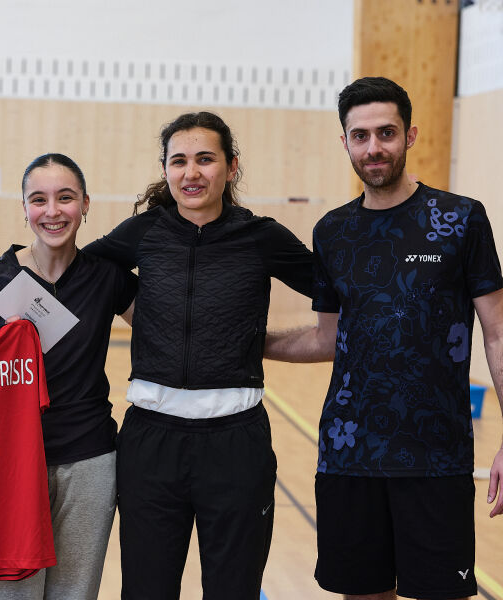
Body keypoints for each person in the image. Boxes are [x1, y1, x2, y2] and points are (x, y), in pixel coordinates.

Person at [265, 76, 503, 600]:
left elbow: (498, 332)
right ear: (344, 142)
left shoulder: (460, 219)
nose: (373, 148)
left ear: (410, 135)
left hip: (437, 456)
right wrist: (251, 342)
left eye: (386, 132)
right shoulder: (332, 232)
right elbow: (327, 339)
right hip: (348, 455)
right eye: (360, 136)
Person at [84, 112, 313, 599]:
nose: (191, 173)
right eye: (179, 161)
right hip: (150, 444)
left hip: (236, 445)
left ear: (231, 167)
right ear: (165, 169)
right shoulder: (143, 232)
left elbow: (337, 293)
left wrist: (252, 340)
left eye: (205, 159)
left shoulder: (262, 236)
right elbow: (77, 271)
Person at [0, 153, 137, 600]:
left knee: (74, 592)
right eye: (38, 199)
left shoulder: (108, 277)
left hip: (89, 459)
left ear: (86, 204)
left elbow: (167, 330)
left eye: (66, 197)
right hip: (11, 461)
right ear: (24, 207)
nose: (52, 211)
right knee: (7, 593)